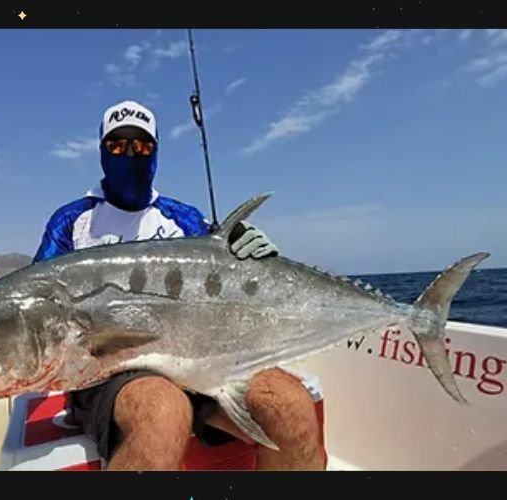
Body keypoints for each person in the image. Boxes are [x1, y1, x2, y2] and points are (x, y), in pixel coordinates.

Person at [32, 100, 326, 471]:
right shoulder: (72, 221)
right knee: (162, 411)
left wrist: (248, 252)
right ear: (102, 152)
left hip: (201, 360)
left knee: (290, 406)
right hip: (106, 374)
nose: (129, 154)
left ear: (155, 152)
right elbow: (38, 307)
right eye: (117, 145)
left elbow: (225, 273)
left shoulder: (183, 219)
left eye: (140, 146)